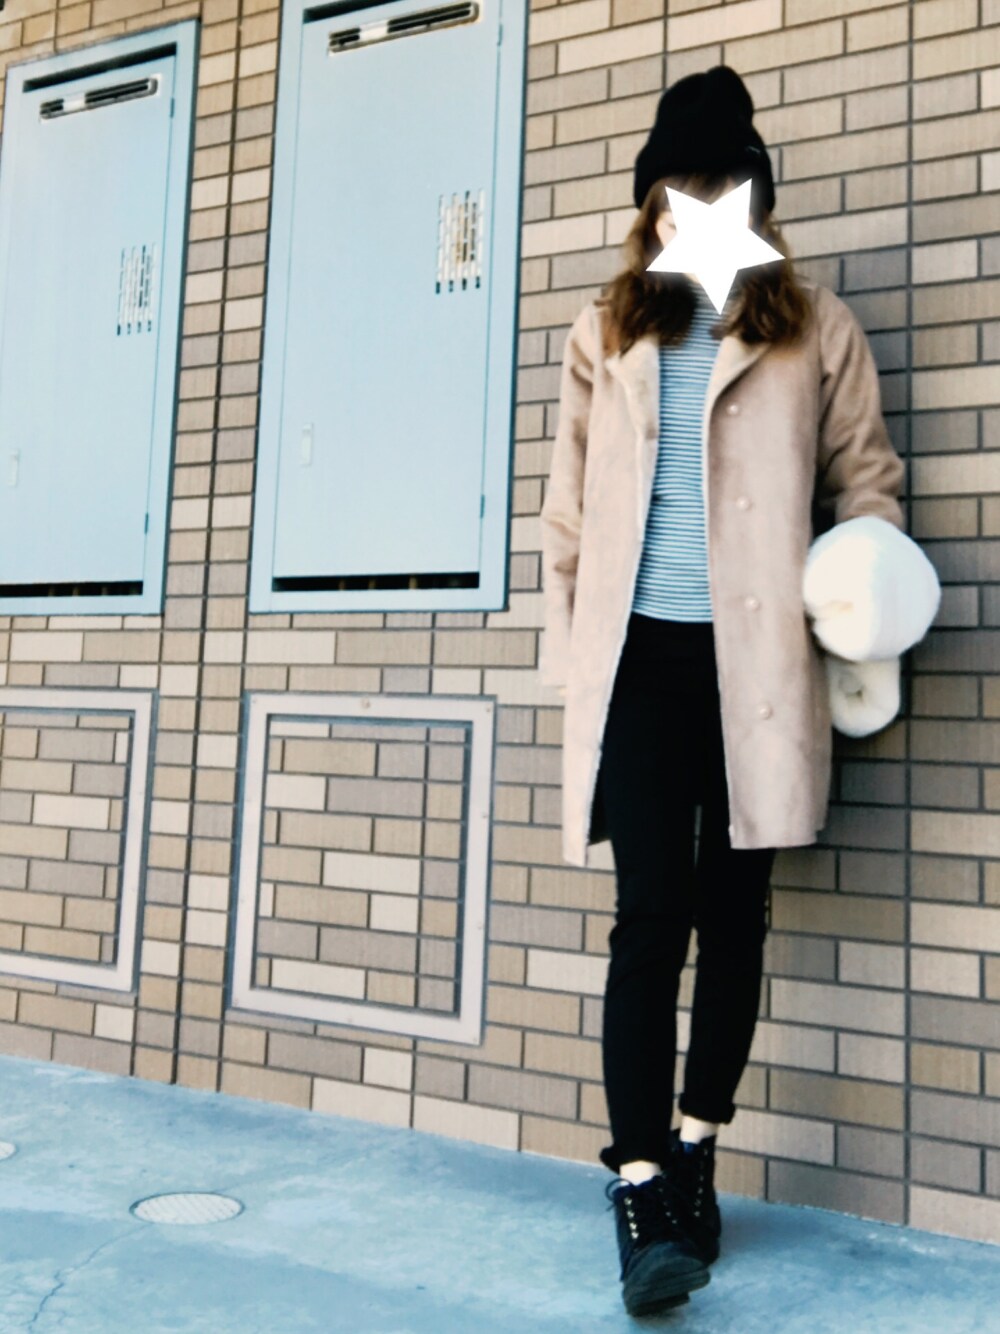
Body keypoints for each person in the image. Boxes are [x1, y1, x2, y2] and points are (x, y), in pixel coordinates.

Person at [538, 65, 939, 1318]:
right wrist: (575, 662)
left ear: (752, 198)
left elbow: (868, 486)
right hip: (641, 664)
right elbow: (564, 521)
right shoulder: (607, 329)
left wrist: (858, 605)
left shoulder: (812, 327)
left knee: (736, 917)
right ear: (653, 201)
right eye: (678, 185)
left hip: (756, 666)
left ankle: (698, 1145)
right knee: (648, 918)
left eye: (717, 184)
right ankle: (640, 1184)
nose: (696, 203)